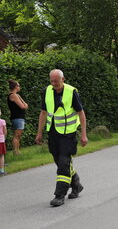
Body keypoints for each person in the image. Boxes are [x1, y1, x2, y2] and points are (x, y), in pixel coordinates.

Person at [35, 69, 88, 207]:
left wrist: (83, 134)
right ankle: (76, 184)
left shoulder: (71, 92)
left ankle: (59, 195)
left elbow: (81, 113)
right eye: (51, 81)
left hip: (68, 134)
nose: (54, 84)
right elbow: (43, 112)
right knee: (59, 161)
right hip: (53, 132)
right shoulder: (47, 91)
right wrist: (39, 132)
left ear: (62, 79)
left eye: (56, 81)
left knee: (64, 162)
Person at [7, 80, 28, 155]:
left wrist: (20, 97)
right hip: (17, 117)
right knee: (17, 135)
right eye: (18, 85)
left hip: (18, 118)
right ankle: (16, 151)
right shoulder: (13, 95)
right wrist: (24, 104)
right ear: (15, 87)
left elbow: (25, 105)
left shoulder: (16, 95)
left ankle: (17, 151)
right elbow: (23, 106)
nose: (20, 87)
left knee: (18, 135)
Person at [0, 108, 7, 176]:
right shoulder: (2, 121)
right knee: (1, 155)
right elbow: (5, 131)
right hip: (1, 140)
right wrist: (4, 136)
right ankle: (1, 170)